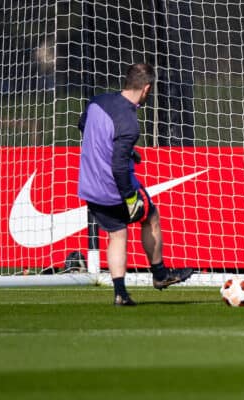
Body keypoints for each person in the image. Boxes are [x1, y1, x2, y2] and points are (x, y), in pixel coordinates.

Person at [78, 63, 193, 306]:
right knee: (151, 216)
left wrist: (119, 152)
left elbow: (83, 126)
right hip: (114, 189)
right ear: (146, 88)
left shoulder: (97, 101)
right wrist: (130, 197)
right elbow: (119, 168)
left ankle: (120, 293)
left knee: (117, 234)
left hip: (89, 186)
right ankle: (160, 274)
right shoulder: (129, 123)